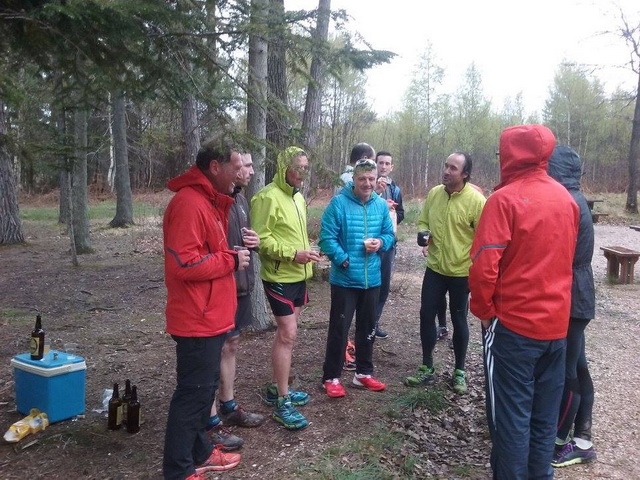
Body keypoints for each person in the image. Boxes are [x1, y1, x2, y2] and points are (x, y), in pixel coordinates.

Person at [468, 124, 579, 479]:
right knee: (544, 418)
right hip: (556, 329)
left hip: (514, 328)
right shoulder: (566, 199)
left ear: (512, 155)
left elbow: (485, 267)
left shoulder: (504, 200)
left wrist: (484, 312)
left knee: (511, 419)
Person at [162, 139, 249, 479]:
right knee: (191, 396)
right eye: (236, 166)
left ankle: (200, 452)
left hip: (211, 317)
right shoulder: (188, 203)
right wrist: (230, 259)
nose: (240, 173)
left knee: (202, 394)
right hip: (196, 319)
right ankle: (179, 470)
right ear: (216, 166)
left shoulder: (209, 201)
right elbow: (184, 264)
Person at [250, 146, 320, 430]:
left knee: (288, 336)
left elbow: (296, 235)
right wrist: (293, 253)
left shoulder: (299, 197)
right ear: (283, 167)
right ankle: (282, 401)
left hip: (299, 276)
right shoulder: (266, 197)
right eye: (298, 167)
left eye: (306, 167)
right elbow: (259, 241)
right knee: (288, 335)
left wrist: (308, 252)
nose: (303, 173)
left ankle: (279, 388)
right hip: (278, 276)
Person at [405, 152, 485, 395]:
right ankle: (427, 366)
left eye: (453, 168)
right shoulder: (434, 194)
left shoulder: (476, 201)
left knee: (459, 319)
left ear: (465, 174)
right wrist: (423, 233)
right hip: (435, 268)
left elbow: (484, 238)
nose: (447, 171)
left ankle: (459, 371)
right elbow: (423, 221)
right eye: (446, 166)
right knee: (426, 315)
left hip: (462, 272)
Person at [319, 157, 395, 397]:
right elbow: (326, 238)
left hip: (371, 277)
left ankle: (363, 373)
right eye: (362, 179)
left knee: (368, 328)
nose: (368, 183)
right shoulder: (338, 204)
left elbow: (389, 234)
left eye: (372, 179)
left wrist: (381, 242)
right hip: (344, 279)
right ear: (354, 179)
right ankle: (331, 377)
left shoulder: (381, 206)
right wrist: (343, 259)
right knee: (339, 329)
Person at [206, 152, 266, 451]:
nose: (250, 171)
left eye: (250, 165)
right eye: (245, 165)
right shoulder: (211, 200)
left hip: (240, 285)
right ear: (228, 168)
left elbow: (242, 240)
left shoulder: (240, 199)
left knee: (231, 345)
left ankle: (228, 405)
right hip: (218, 286)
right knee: (211, 352)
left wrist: (254, 242)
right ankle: (210, 420)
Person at [547, 145, 597, 468]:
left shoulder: (569, 202)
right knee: (578, 365)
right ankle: (583, 435)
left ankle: (560, 441)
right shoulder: (574, 198)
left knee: (567, 371)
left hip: (574, 295)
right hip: (577, 292)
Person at [372, 151, 405, 339]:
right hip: (371, 243)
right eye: (381, 163)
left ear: (391, 167)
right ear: (375, 164)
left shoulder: (396, 189)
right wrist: (379, 201)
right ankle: (365, 321)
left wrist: (392, 210)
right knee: (369, 285)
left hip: (389, 243)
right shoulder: (369, 184)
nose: (383, 166)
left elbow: (401, 213)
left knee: (384, 286)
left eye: (387, 164)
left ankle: (374, 322)